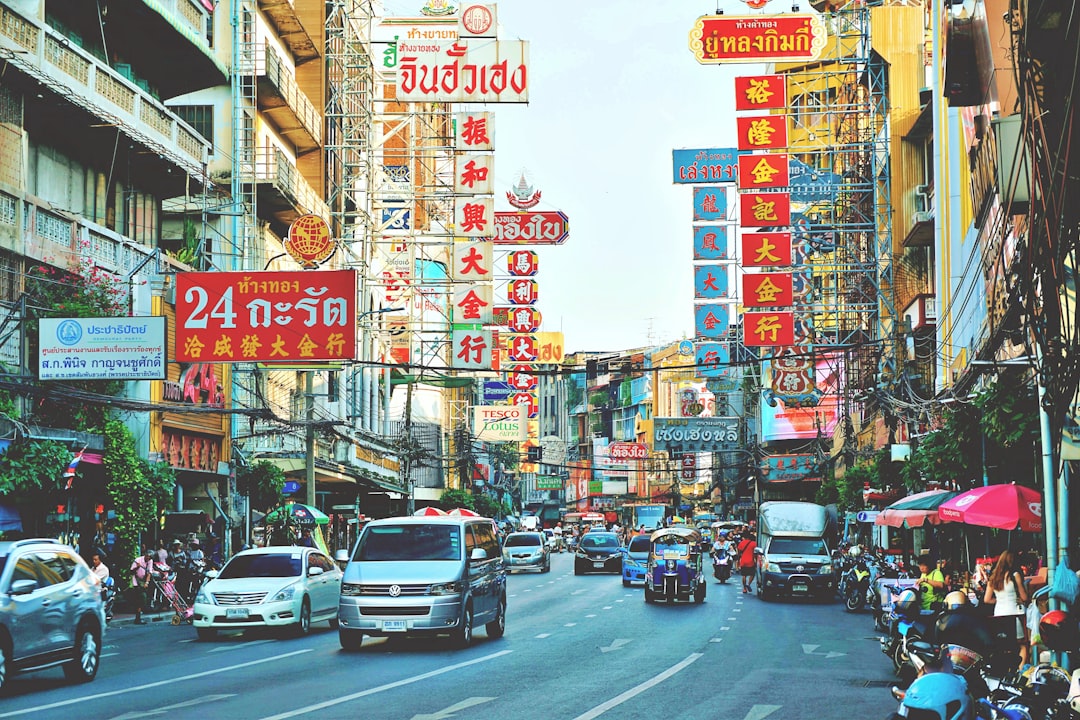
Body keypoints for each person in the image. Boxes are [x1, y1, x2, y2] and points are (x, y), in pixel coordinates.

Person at [983, 549, 1030, 670]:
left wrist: (999, 600)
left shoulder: (993, 578)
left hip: (999, 614)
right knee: (1022, 645)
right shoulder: (1015, 575)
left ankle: (1006, 670)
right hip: (1014, 614)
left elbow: (987, 599)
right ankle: (1020, 671)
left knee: (1004, 645)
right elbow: (1024, 597)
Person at [129, 547, 154, 624]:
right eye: (147, 557)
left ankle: (138, 617)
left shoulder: (150, 561)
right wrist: (137, 567)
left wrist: (147, 582)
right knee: (141, 598)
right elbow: (131, 571)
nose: (148, 559)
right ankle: (138, 618)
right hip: (136, 581)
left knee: (142, 599)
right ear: (145, 555)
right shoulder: (138, 560)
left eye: (150, 558)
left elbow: (149, 572)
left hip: (143, 581)